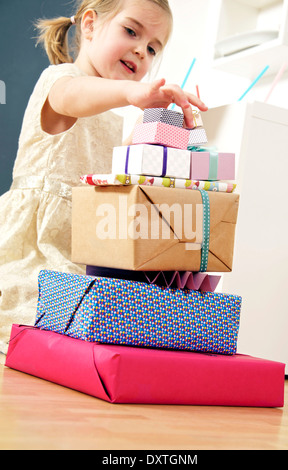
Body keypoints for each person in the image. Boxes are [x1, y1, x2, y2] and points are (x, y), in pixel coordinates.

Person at [0, 0, 207, 360]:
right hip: (35, 250)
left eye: (154, 48)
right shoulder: (61, 81)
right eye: (131, 31)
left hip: (81, 252)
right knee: (34, 318)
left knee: (106, 325)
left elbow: (111, 176)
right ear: (91, 25)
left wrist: (158, 127)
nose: (142, 51)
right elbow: (71, 98)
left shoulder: (111, 117)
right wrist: (132, 94)